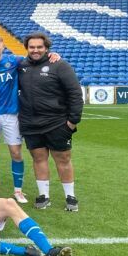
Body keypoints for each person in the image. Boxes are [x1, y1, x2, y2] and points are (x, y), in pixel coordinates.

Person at [0, 35, 61, 203]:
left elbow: (37, 59)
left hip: (12, 115)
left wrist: (53, 55)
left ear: (3, 46)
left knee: (16, 152)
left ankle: (18, 190)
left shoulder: (16, 61)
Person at [18, 32, 83, 212]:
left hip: (57, 123)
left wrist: (73, 120)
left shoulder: (59, 65)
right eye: (32, 47)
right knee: (38, 158)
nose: (36, 50)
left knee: (63, 159)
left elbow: (75, 93)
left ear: (46, 48)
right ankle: (44, 196)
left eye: (39, 47)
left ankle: (70, 196)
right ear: (27, 48)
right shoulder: (21, 66)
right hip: (30, 124)